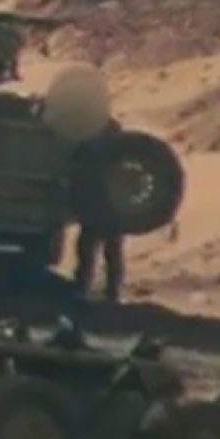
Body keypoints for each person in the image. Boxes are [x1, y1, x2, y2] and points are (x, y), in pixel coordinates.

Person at [71, 118, 125, 302]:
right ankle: (108, 291)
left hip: (100, 207)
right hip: (107, 208)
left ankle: (87, 288)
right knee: (105, 251)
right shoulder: (116, 151)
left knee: (94, 250)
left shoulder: (93, 146)